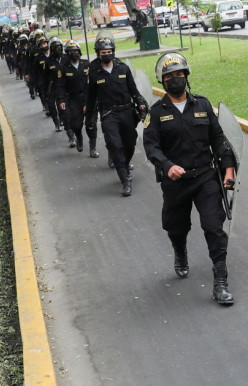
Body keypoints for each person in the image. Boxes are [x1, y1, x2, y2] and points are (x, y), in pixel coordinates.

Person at [143, 53, 236, 304]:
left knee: (213, 227)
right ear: (162, 82)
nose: (175, 80)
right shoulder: (156, 112)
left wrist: (228, 169)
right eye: (169, 77)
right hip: (175, 182)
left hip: (205, 177)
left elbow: (218, 139)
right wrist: (167, 165)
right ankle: (180, 251)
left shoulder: (203, 106)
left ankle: (220, 282)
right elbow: (151, 147)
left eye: (179, 74)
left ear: (186, 76)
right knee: (176, 227)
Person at [86, 32, 148, 196]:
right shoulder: (94, 73)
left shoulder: (123, 69)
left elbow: (134, 91)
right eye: (102, 53)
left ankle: (125, 164)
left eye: (108, 52)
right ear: (98, 54)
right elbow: (91, 99)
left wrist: (141, 105)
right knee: (116, 145)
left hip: (127, 112)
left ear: (113, 51)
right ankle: (125, 180)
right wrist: (90, 120)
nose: (106, 55)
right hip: (109, 114)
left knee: (129, 144)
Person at [57, 40, 99, 157]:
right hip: (73, 99)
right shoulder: (64, 68)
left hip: (88, 98)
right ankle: (79, 137)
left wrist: (89, 101)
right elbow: (60, 86)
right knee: (75, 124)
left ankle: (93, 148)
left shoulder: (87, 64)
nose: (73, 53)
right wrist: (61, 100)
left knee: (91, 124)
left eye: (75, 51)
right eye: (70, 51)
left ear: (79, 52)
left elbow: (92, 84)